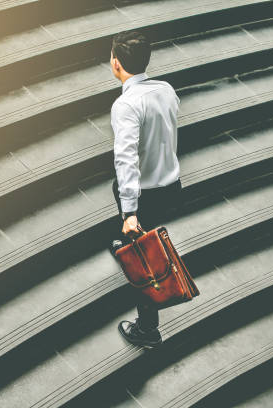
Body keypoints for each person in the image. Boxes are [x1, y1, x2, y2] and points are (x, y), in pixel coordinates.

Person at [108, 30, 183, 348]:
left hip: (146, 192)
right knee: (140, 242)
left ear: (115, 64)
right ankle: (127, 243)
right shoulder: (165, 89)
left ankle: (148, 329)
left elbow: (126, 160)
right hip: (171, 183)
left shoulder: (125, 105)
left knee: (146, 260)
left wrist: (130, 212)